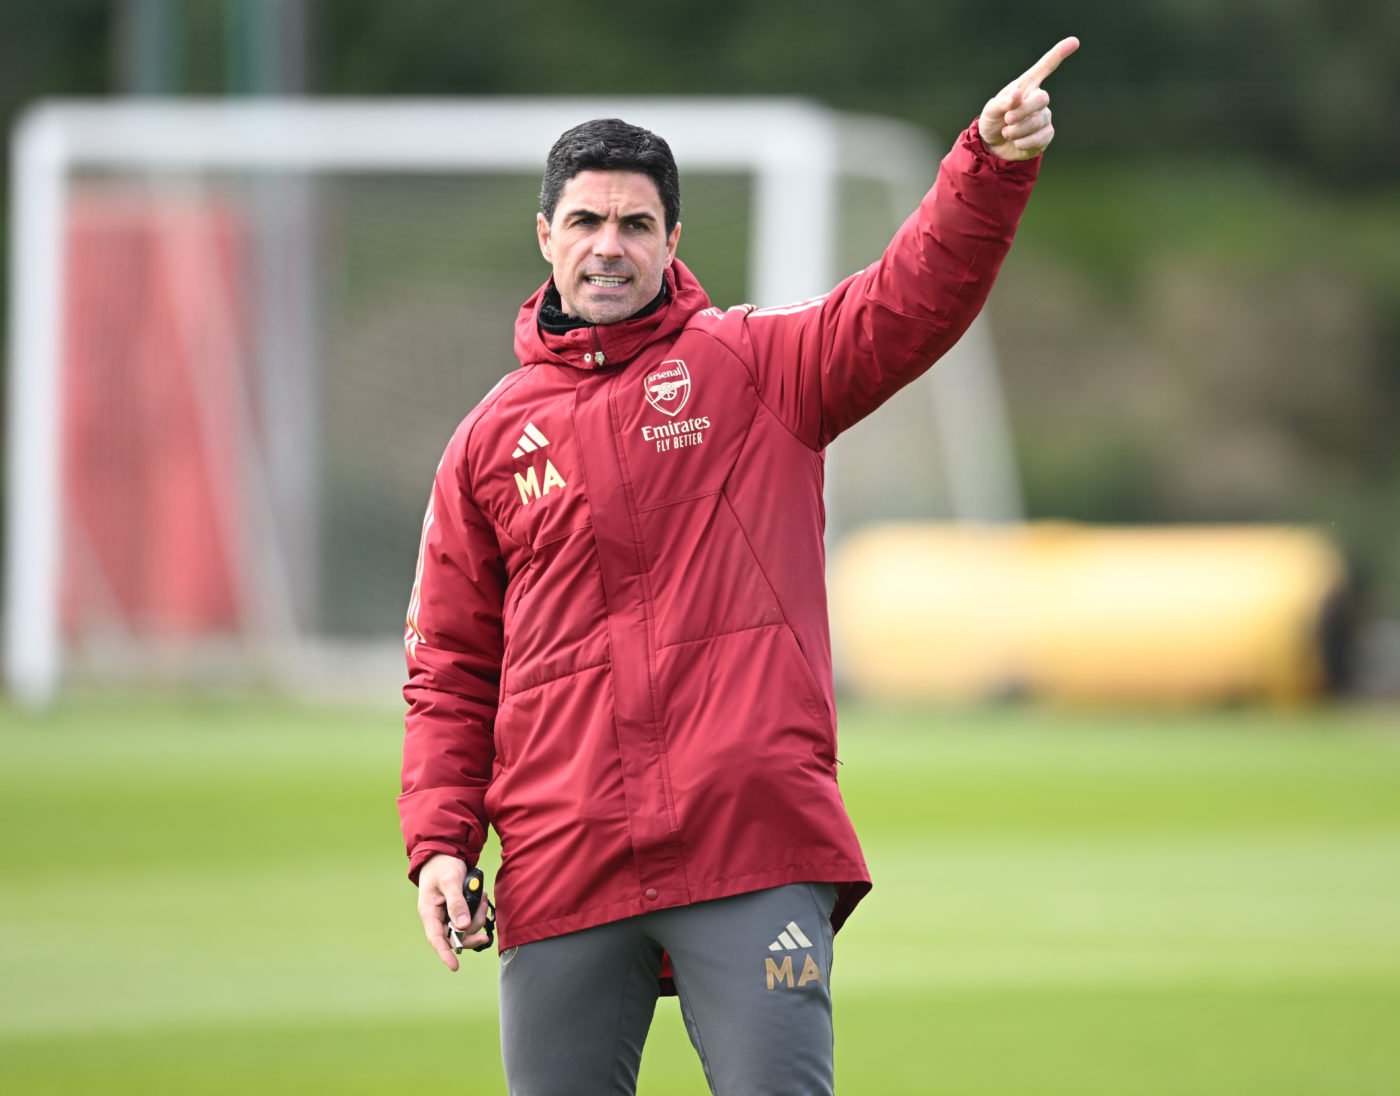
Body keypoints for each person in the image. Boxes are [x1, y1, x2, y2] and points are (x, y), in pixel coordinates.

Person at [399, 36, 1079, 1095]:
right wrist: (442, 842)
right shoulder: (488, 442)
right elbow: (448, 665)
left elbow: (908, 302)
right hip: (565, 854)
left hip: (747, 842)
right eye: (585, 221)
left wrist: (987, 164)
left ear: (674, 236)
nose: (608, 246)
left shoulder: (754, 366)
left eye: (634, 222)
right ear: (546, 236)